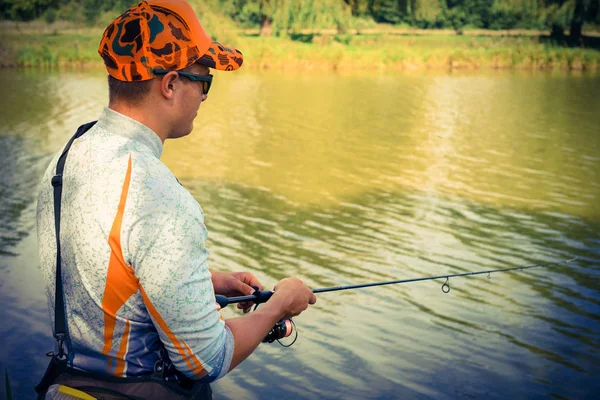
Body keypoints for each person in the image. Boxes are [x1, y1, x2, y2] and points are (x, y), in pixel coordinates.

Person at [35, 0, 316, 398]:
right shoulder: (159, 197)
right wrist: (280, 304)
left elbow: (96, 273)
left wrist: (203, 283)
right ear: (170, 84)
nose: (204, 95)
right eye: (204, 80)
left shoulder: (66, 161)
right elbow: (206, 359)